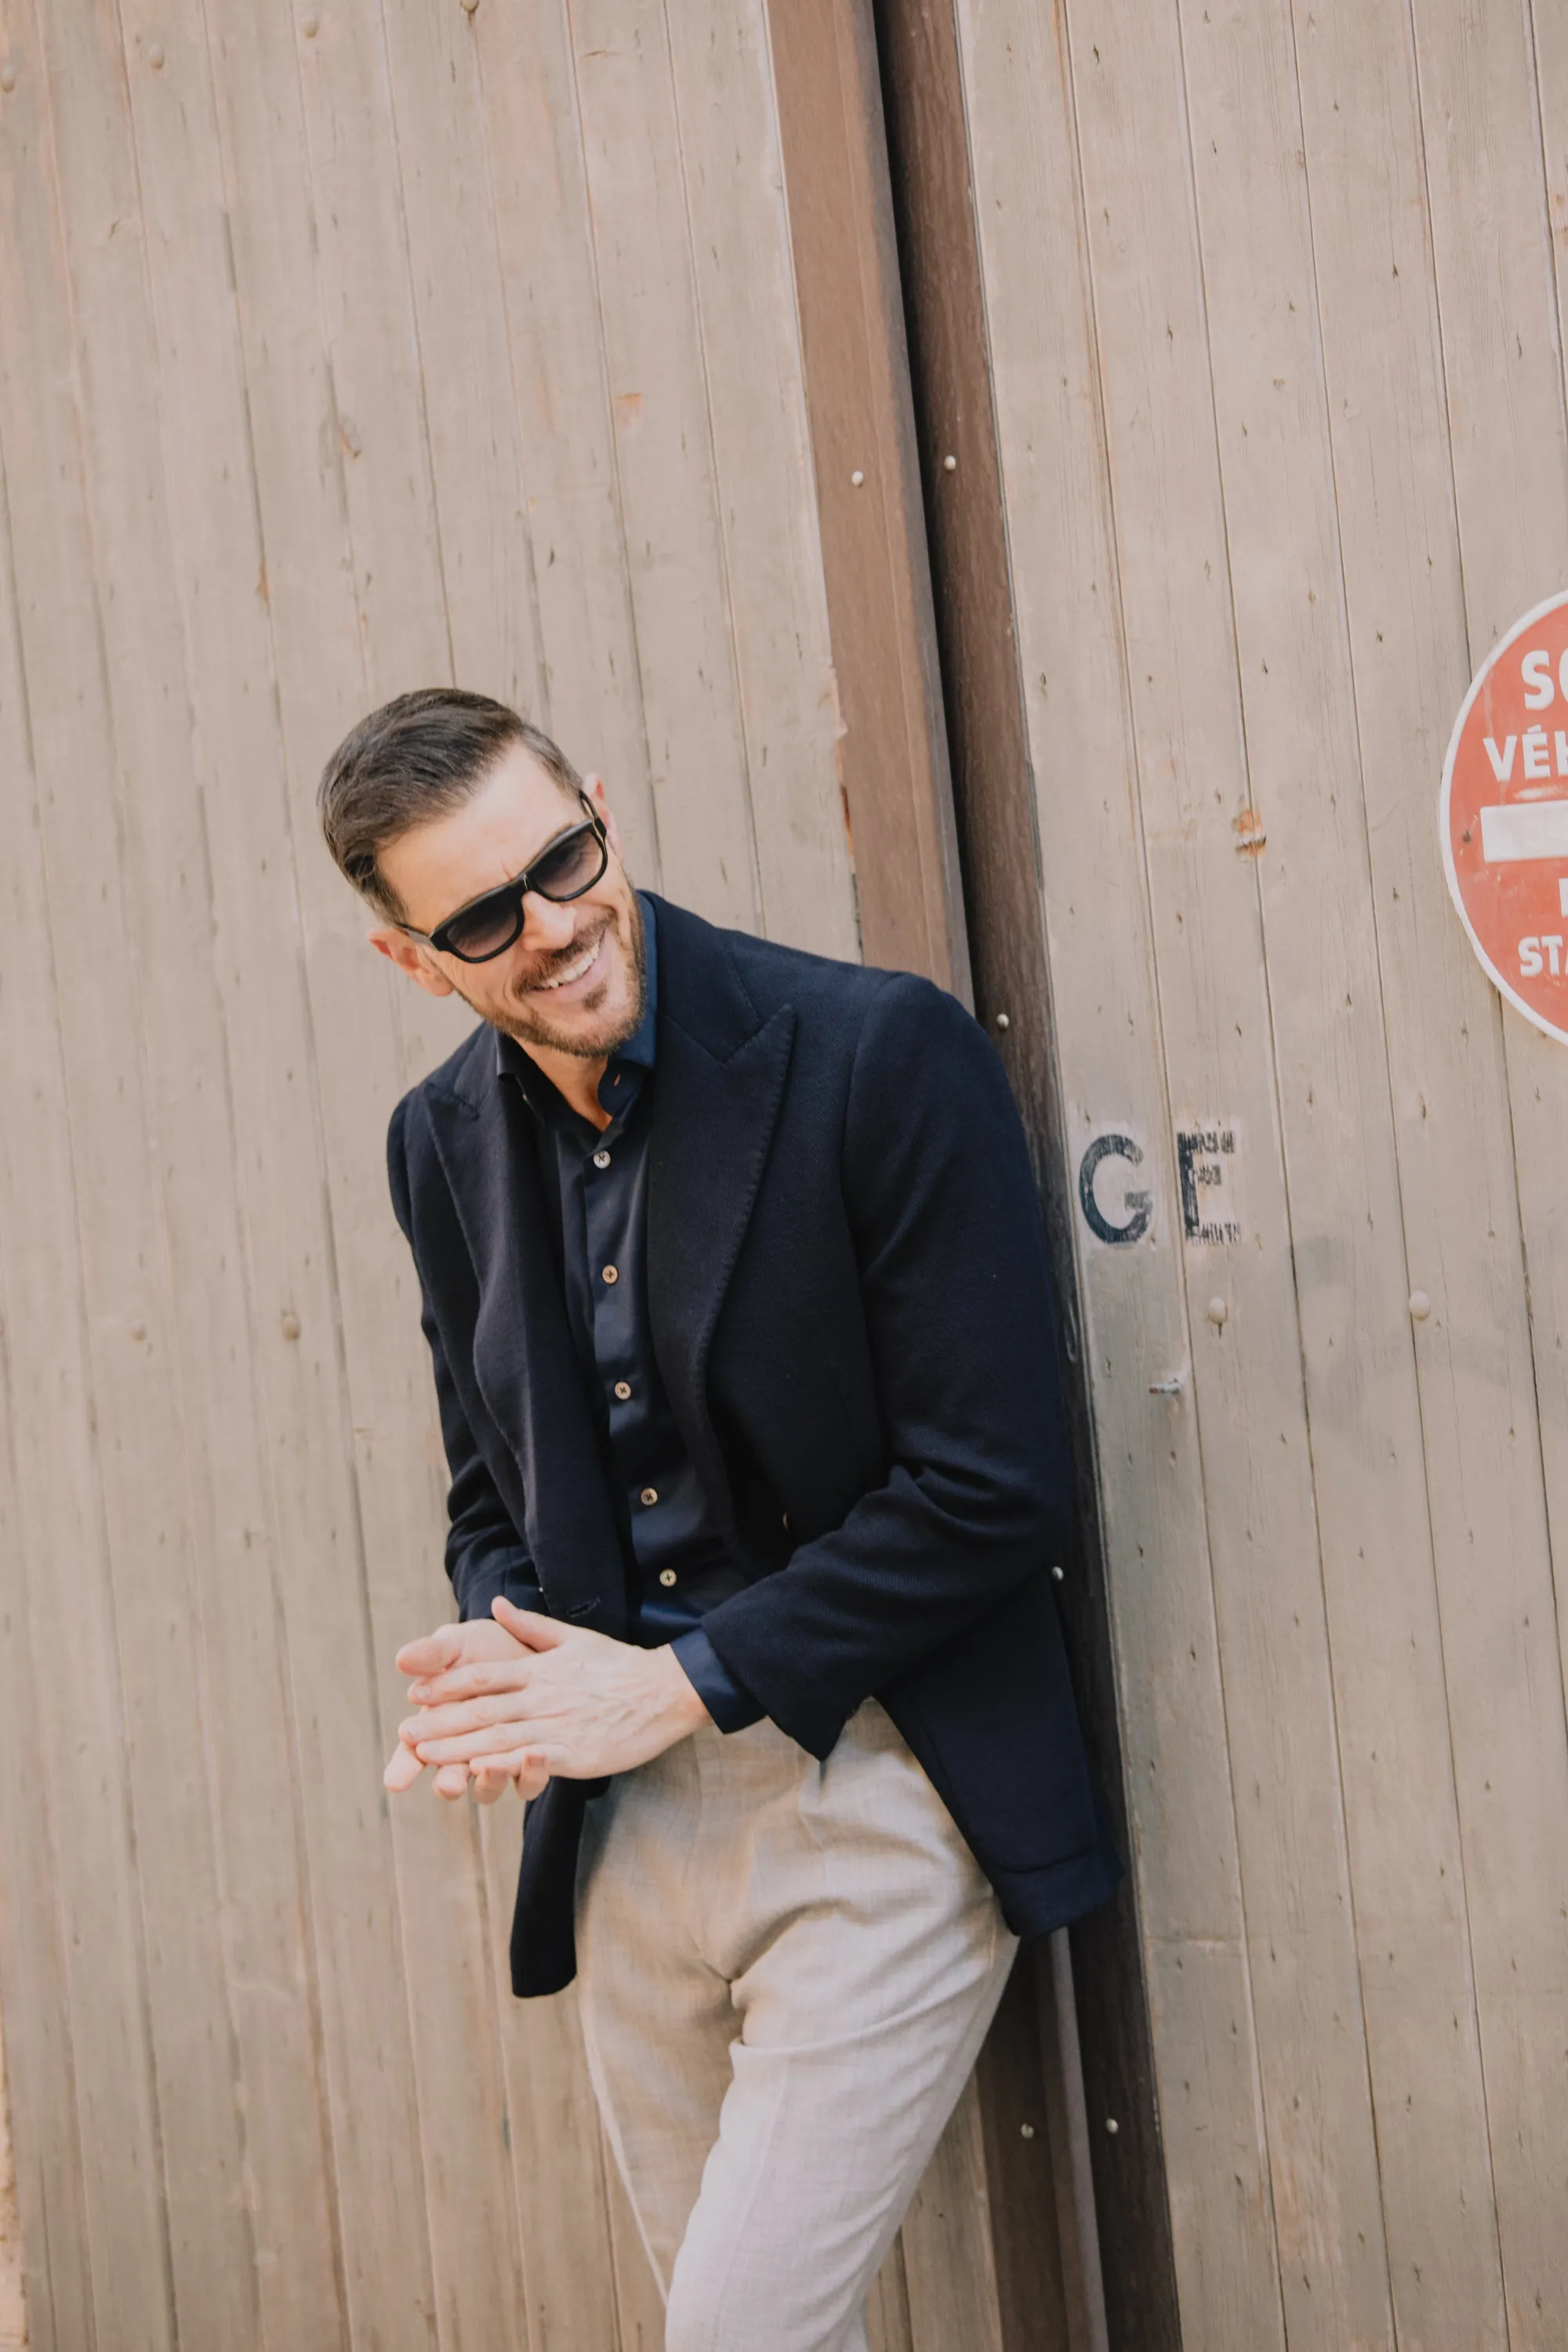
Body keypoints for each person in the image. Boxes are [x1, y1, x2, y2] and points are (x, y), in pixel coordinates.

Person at [318, 688, 1119, 2352]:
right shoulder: (435, 1145)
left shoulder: (874, 1054)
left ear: (600, 806)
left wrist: (666, 1686)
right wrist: (504, 1654)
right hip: (624, 1839)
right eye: (483, 916)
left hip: (882, 1786)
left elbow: (991, 1488)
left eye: (567, 860)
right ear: (411, 957)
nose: (551, 928)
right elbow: (494, 1489)